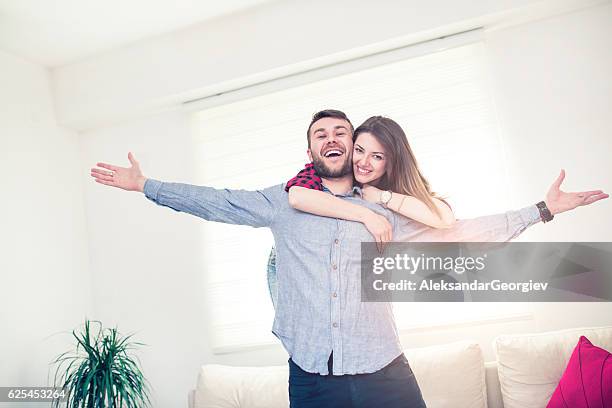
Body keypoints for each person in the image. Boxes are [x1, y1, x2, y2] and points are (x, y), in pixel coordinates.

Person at [90, 109, 607, 408]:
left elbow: (465, 233)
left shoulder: (388, 209)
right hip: (312, 376)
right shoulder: (282, 200)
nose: (333, 139)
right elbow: (216, 201)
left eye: (342, 132)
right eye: (322, 134)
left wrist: (542, 210)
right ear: (310, 149)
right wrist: (146, 185)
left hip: (384, 369)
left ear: (356, 146)